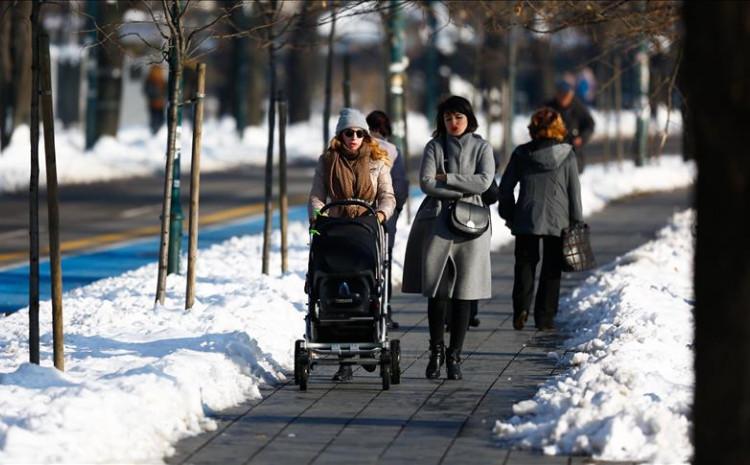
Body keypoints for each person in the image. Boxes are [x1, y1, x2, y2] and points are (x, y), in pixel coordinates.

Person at [402, 96, 494, 380]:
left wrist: (448, 178)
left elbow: (485, 182)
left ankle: (455, 355)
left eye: (458, 118)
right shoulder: (434, 146)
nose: (453, 123)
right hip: (439, 223)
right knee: (438, 292)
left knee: (465, 294)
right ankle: (436, 351)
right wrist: (461, 189)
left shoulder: (482, 147)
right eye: (447, 118)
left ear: (469, 119)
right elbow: (427, 183)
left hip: (472, 225)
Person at [309, 107, 396, 382]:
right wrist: (319, 216)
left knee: (366, 290)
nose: (354, 137)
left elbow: (387, 196)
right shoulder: (327, 162)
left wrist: (380, 214)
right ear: (340, 136)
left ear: (366, 135)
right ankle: (345, 362)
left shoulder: (378, 161)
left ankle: (369, 340)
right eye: (349, 133)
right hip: (335, 232)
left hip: (365, 231)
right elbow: (316, 197)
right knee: (334, 292)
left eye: (360, 133)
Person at [497, 107, 583, 331]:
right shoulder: (567, 154)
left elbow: (505, 189)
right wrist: (576, 221)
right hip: (559, 219)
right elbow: (574, 192)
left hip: (527, 217)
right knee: (551, 269)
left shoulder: (521, 154)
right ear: (559, 128)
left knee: (525, 264)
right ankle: (545, 317)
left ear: (533, 128)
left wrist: (510, 214)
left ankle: (521, 308)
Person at [366, 110, 409, 330]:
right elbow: (400, 188)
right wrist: (394, 212)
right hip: (383, 216)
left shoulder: (354, 145)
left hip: (356, 218)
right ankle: (384, 308)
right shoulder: (391, 150)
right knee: (384, 262)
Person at [545, 79, 595, 173]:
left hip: (574, 154)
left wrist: (582, 138)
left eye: (567, 95)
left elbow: (590, 124)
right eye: (561, 95)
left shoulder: (577, 107)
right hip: (553, 156)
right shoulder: (549, 108)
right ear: (557, 95)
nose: (564, 98)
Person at [143, 65, 167, 135]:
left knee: (160, 120)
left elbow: (165, 91)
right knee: (155, 120)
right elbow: (147, 91)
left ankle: (157, 133)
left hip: (160, 104)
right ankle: (154, 133)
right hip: (153, 104)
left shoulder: (162, 81)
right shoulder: (150, 80)